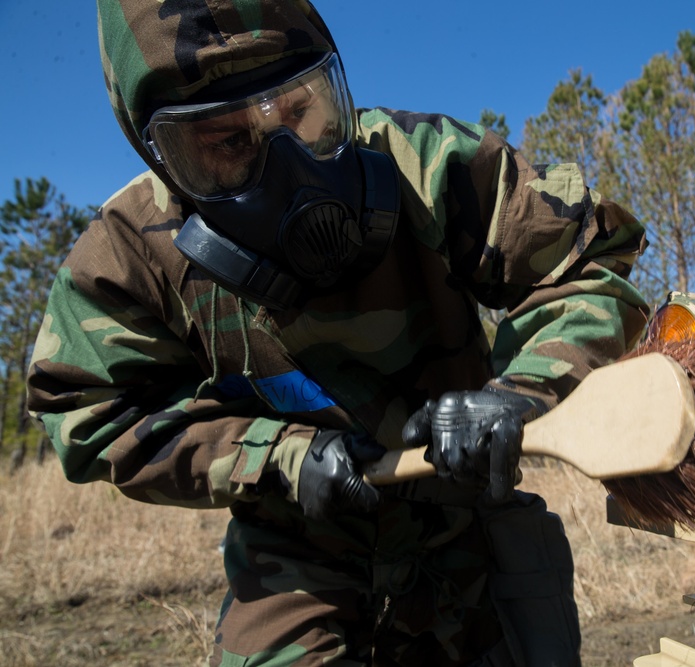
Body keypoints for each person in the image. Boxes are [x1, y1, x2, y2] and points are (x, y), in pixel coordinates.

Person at [26, 1, 649, 664]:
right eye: (228, 143)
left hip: (466, 530)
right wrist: (273, 454)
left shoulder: (425, 165)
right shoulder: (133, 255)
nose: (287, 164)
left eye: (300, 111)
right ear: (167, 159)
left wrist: (522, 393)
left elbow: (585, 264)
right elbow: (86, 407)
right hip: (296, 554)